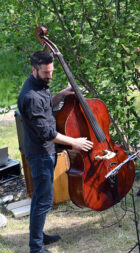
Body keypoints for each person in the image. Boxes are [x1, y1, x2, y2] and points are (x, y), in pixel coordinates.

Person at [18, 51, 94, 253]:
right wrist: (74, 141)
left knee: (40, 198)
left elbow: (45, 107)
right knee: (43, 200)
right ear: (34, 69)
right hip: (41, 153)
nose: (49, 76)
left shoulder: (39, 86)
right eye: (45, 72)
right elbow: (47, 133)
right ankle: (36, 247)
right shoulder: (30, 96)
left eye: (51, 71)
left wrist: (60, 95)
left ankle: (39, 236)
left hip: (45, 151)